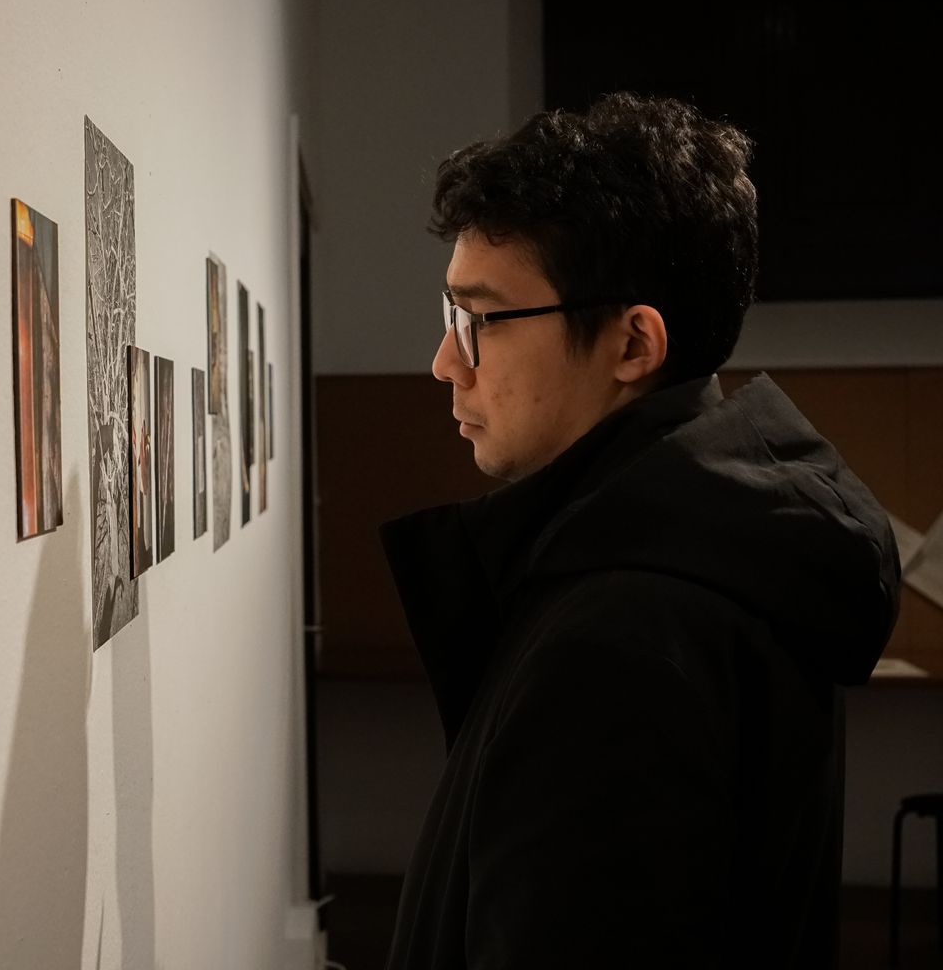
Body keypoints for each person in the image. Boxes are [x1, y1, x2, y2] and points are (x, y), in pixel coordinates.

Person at [379, 92, 900, 968]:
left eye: (479, 322)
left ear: (632, 346)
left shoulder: (626, 634)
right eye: (449, 317)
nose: (445, 364)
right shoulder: (719, 546)